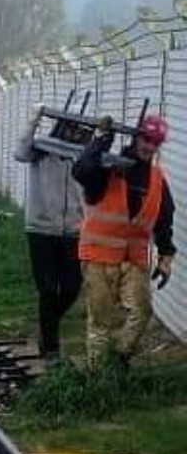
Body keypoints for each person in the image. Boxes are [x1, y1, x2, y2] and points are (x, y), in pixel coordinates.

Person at [72, 114, 176, 365]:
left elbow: (164, 219)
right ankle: (97, 378)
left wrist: (165, 257)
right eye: (146, 138)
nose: (149, 146)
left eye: (156, 142)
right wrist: (99, 141)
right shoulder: (107, 168)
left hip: (134, 260)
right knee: (100, 321)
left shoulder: (156, 178)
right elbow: (81, 170)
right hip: (98, 256)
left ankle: (118, 363)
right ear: (135, 136)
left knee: (141, 313)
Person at [14, 106, 86, 360]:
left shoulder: (83, 156)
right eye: (72, 126)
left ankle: (47, 326)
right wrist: (35, 119)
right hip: (41, 229)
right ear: (63, 125)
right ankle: (51, 347)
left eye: (81, 129)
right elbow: (20, 153)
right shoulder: (42, 149)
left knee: (72, 287)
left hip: (73, 232)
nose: (76, 133)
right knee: (47, 289)